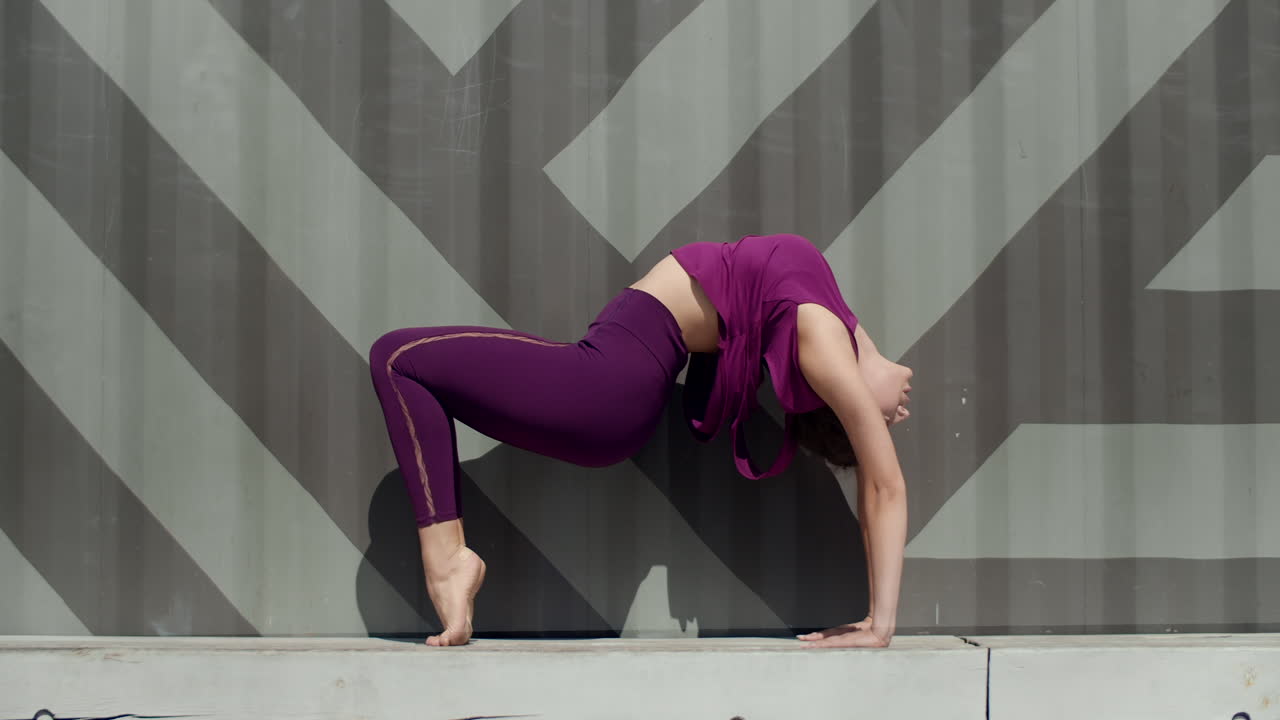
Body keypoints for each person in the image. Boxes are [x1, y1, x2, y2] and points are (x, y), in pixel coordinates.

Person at [369, 234, 913, 648]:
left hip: (607, 384)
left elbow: (883, 486)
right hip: (609, 378)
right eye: (892, 419)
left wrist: (879, 624)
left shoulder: (820, 340)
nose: (900, 412)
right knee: (402, 362)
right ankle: (449, 561)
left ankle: (447, 563)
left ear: (848, 403)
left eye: (878, 419)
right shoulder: (829, 312)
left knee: (397, 360)